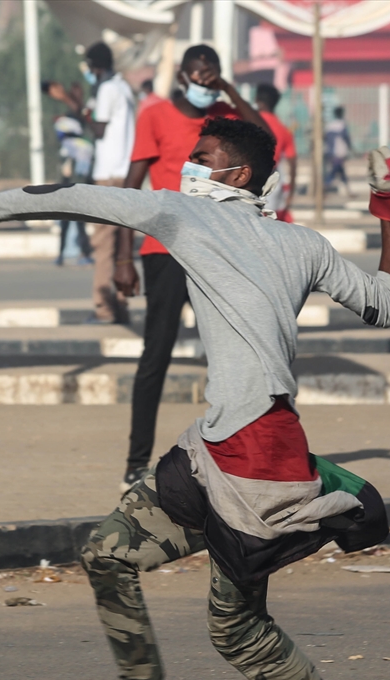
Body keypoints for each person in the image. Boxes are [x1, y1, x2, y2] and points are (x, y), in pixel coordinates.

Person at [0, 117, 390, 680]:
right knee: (107, 553)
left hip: (253, 459)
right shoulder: (303, 244)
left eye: (200, 157)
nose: (186, 166)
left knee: (235, 629)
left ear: (234, 175)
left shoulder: (183, 214)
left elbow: (69, 194)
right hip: (219, 446)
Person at [114, 44, 272, 493]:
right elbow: (131, 188)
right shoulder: (155, 114)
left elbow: (264, 140)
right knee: (156, 355)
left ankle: (231, 455)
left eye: (212, 74)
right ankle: (135, 460)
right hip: (164, 250)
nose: (205, 81)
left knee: (232, 355)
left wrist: (229, 91)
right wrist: (123, 257)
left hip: (217, 249)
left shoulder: (223, 117)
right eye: (198, 74)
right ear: (182, 75)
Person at [50, 41, 136, 323]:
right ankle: (121, 304)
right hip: (124, 173)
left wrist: (83, 111)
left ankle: (103, 307)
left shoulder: (107, 89)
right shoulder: (123, 87)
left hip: (108, 173)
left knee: (103, 245)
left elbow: (98, 128)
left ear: (95, 66)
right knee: (122, 243)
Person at [53, 115, 94, 266]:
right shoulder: (87, 145)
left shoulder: (67, 146)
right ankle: (86, 253)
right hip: (83, 190)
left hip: (67, 190)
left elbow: (66, 171)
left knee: (64, 225)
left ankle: (60, 255)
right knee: (80, 225)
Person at [256, 83, 297, 223]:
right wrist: (291, 192)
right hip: (271, 183)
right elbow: (292, 161)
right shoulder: (282, 129)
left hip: (247, 177)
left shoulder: (247, 121)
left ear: (256, 100)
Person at [324, 107, 351, 195]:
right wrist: (351, 148)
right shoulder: (342, 125)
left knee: (340, 170)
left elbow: (325, 138)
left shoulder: (330, 125)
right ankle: (325, 186)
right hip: (339, 152)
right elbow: (346, 138)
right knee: (336, 170)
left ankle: (348, 190)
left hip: (331, 151)